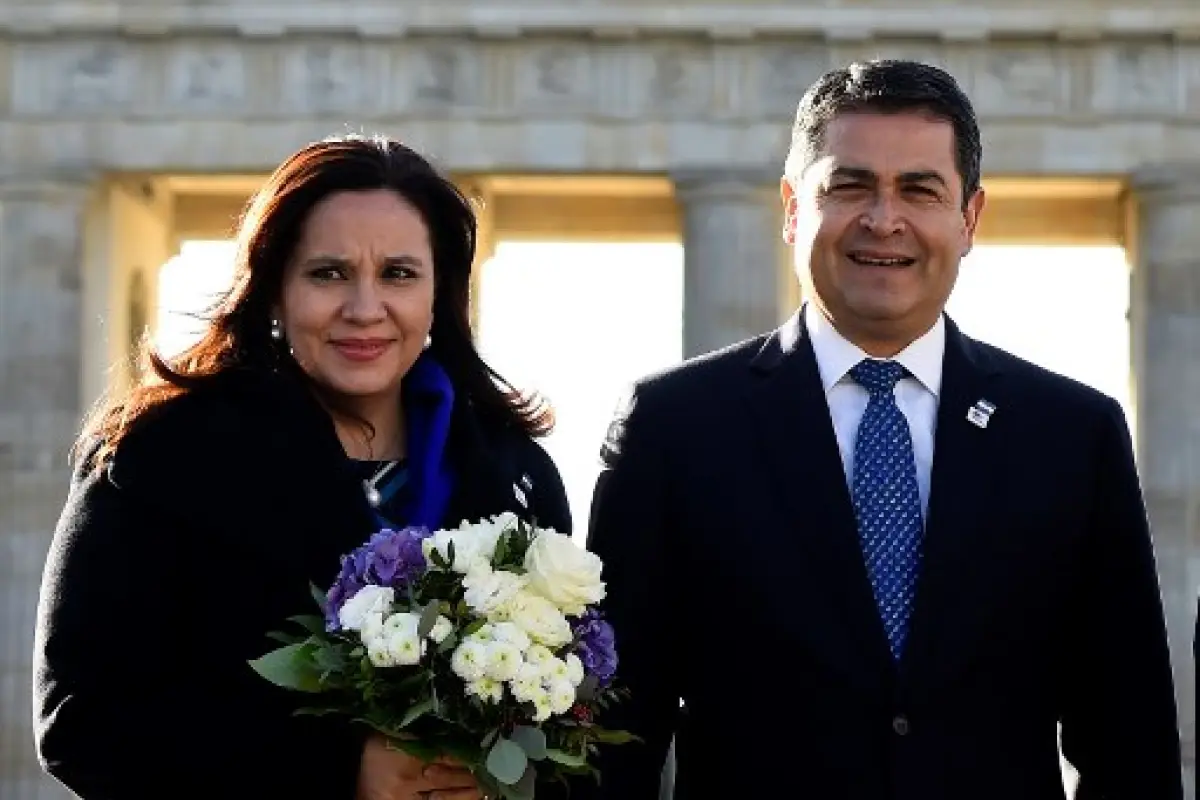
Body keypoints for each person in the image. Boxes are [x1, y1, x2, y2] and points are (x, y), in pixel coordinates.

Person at [586, 59, 1183, 800]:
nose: (883, 218)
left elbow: (1132, 741)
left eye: (920, 190)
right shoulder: (673, 428)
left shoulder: (1073, 435)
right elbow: (613, 733)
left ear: (970, 219)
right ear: (792, 207)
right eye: (850, 184)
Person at [33, 135, 571, 800]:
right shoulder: (158, 457)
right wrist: (340, 769)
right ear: (274, 289)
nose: (364, 308)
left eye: (399, 274)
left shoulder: (517, 475)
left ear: (440, 292)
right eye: (329, 273)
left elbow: (565, 720)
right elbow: (80, 723)